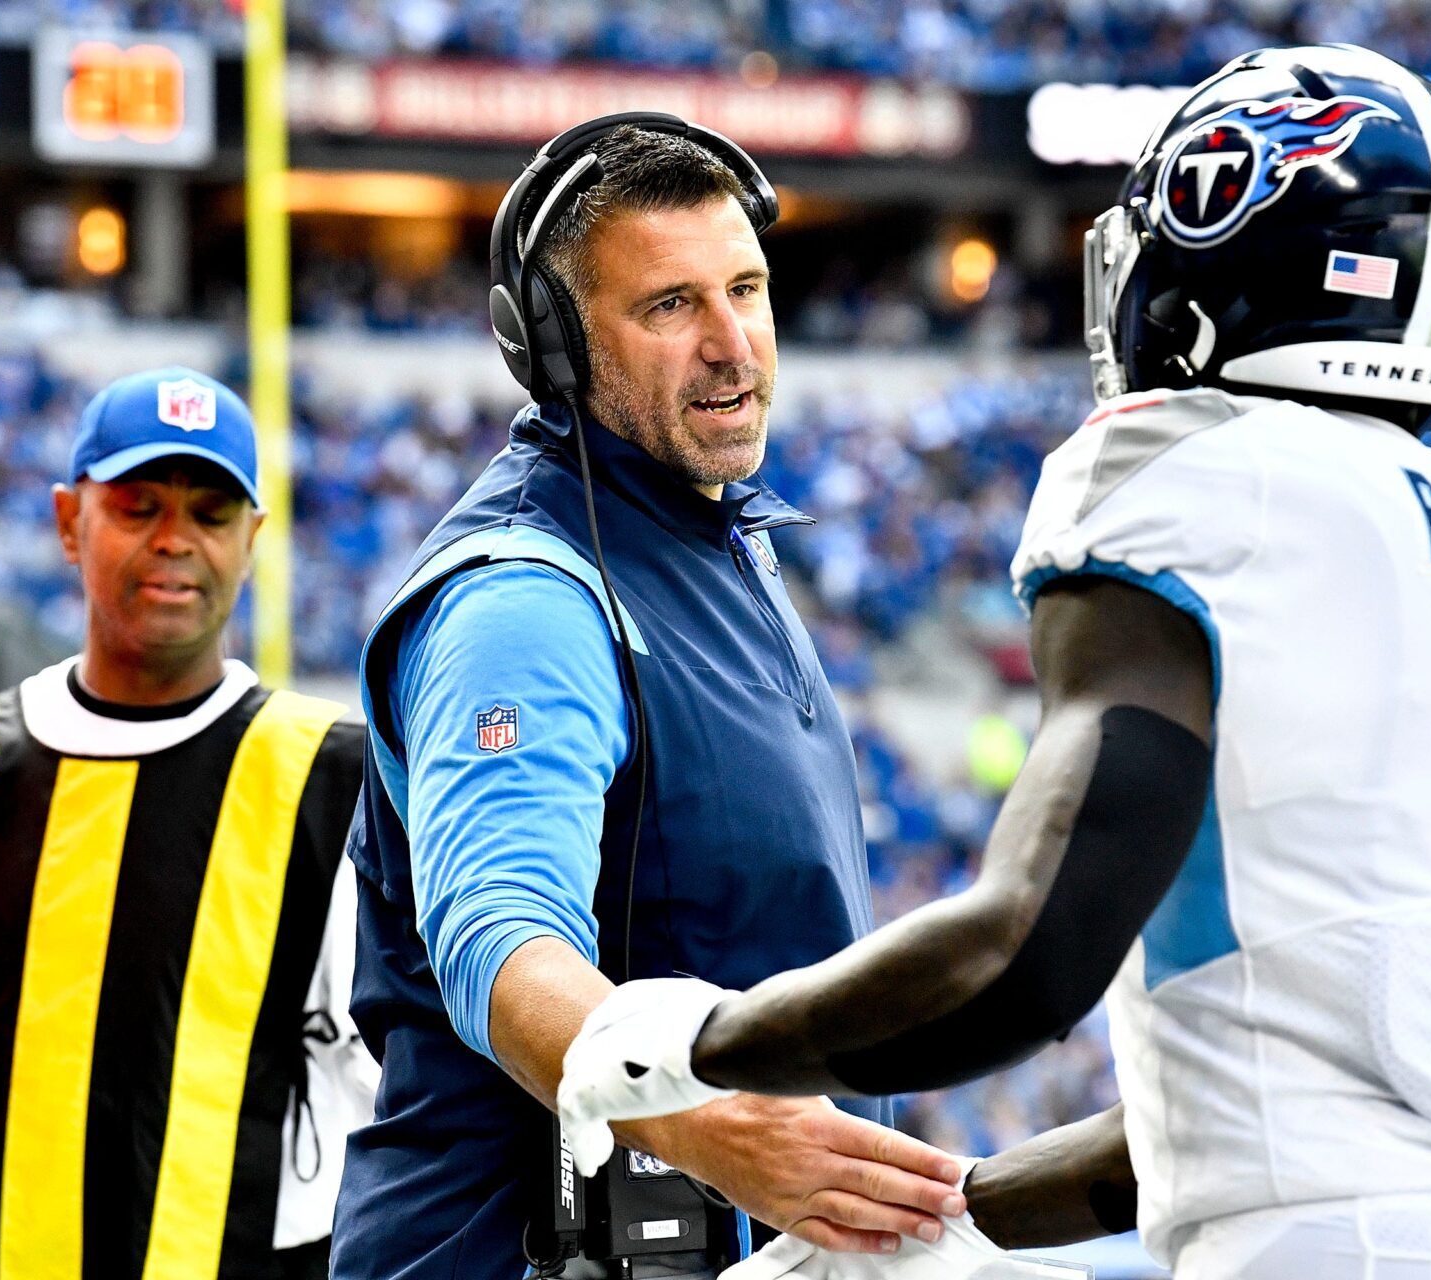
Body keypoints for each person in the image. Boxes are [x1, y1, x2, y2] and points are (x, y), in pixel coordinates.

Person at [559, 46, 1431, 1280]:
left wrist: (698, 1040)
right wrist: (948, 1214)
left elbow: (1021, 958)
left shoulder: (1200, 476)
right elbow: (1249, 1120)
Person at [331, 116, 965, 1280]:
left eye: (747, 288)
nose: (735, 345)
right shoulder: (524, 596)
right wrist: (699, 1119)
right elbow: (499, 934)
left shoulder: (718, 538)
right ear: (559, 348)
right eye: (671, 305)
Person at [0, 367, 375, 1280]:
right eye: (139, 506)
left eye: (212, 515)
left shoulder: (336, 776)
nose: (176, 541)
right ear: (69, 521)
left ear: (253, 539)